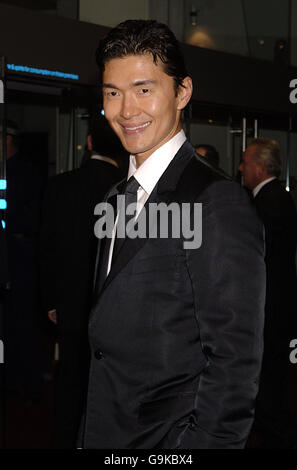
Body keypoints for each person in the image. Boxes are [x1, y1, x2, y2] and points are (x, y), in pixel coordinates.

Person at [80, 19, 266, 449]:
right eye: (112, 92)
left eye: (144, 89)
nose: (126, 110)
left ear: (182, 92)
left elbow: (234, 366)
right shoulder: (114, 197)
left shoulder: (217, 202)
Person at [40, 115, 124, 448]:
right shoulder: (130, 189)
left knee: (70, 381)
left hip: (71, 302)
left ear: (88, 144)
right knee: (111, 386)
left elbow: (47, 249)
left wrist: (49, 301)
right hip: (115, 306)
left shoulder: (61, 185)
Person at [239, 138, 297, 448]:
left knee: (269, 380)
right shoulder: (277, 199)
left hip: (270, 307)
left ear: (260, 167)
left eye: (245, 162)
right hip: (277, 305)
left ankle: (280, 434)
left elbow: (258, 258)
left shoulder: (269, 203)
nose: (241, 168)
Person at [3, 120, 44, 405]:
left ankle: (28, 383)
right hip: (10, 254)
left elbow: (32, 217)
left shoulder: (27, 173)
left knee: (22, 321)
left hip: (20, 256)